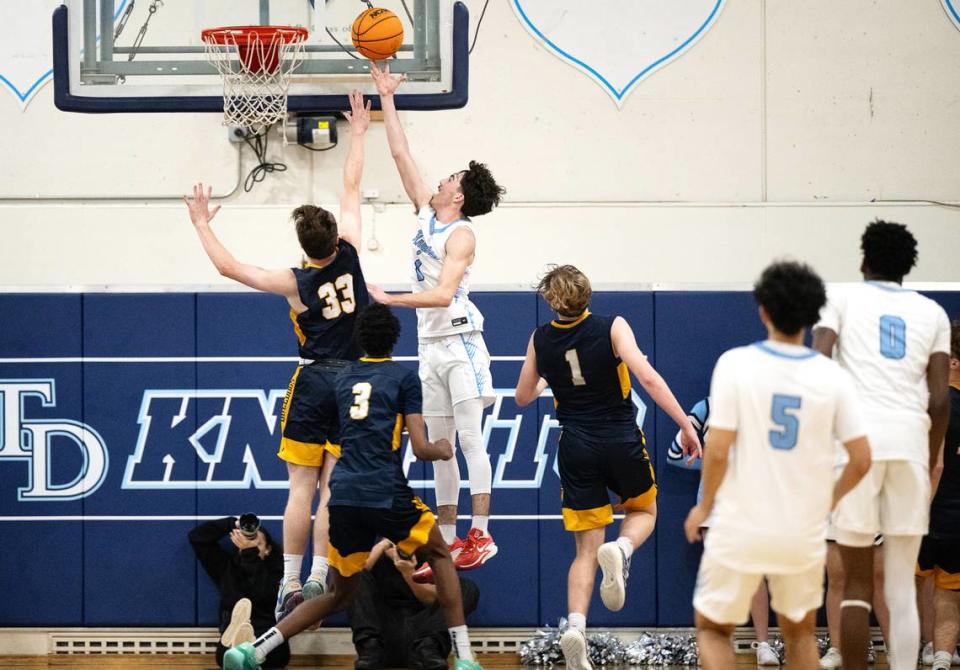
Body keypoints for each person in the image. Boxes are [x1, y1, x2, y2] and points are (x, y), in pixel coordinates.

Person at [184, 91, 373, 619]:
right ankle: (316, 575)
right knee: (334, 491)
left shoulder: (294, 281)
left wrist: (202, 223)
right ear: (335, 237)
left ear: (303, 244)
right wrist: (357, 132)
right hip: (355, 383)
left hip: (313, 381)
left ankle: (289, 581)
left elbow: (230, 269)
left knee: (299, 488)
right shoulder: (353, 254)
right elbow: (352, 185)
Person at [223, 304, 482, 670]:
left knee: (338, 594)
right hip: (385, 489)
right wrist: (442, 448)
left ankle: (254, 651)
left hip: (343, 496)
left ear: (359, 340)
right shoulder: (404, 379)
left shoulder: (343, 379)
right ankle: (467, 659)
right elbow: (422, 449)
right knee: (441, 556)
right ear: (395, 340)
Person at [685, 260, 872, 670]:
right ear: (812, 316)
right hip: (800, 527)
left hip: (740, 521)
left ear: (763, 310)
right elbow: (861, 460)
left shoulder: (735, 364)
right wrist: (827, 502)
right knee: (800, 634)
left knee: (714, 631)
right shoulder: (833, 377)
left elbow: (716, 450)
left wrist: (703, 507)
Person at [513, 264, 701, 670]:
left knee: (584, 550)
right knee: (644, 511)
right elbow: (648, 379)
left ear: (551, 300)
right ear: (588, 294)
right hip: (620, 436)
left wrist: (548, 379)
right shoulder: (612, 326)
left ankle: (576, 628)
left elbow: (523, 396)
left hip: (576, 445)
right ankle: (623, 547)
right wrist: (686, 424)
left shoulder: (539, 338)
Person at [365, 61, 506, 576]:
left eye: (451, 177)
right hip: (430, 349)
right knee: (442, 449)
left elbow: (445, 294)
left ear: (460, 195)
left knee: (470, 439)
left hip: (462, 342)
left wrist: (391, 299)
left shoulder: (462, 235)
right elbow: (401, 154)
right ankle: (446, 544)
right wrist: (387, 98)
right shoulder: (427, 212)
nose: (442, 177)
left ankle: (481, 534)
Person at [812, 220, 952, 670]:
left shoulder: (840, 299)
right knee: (899, 587)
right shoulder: (933, 313)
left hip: (858, 450)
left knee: (855, 585)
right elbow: (941, 399)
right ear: (908, 266)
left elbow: (818, 364)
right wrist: (928, 460)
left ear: (863, 259)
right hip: (910, 448)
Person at [667, 398, 780, 667]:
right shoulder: (706, 407)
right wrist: (711, 467)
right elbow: (674, 453)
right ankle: (713, 645)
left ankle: (763, 644)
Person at [348, 538, 480, 670]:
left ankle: (428, 648)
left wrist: (408, 572)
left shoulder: (431, 557)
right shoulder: (375, 556)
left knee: (465, 587)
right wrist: (382, 546)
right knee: (352, 576)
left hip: (423, 637)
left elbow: (431, 600)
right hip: (383, 638)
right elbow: (351, 576)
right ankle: (370, 649)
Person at [915, 321, 960, 670]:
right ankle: (943, 657)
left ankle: (926, 647)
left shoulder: (935, 406)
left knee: (914, 585)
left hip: (928, 512)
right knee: (949, 596)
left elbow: (935, 466)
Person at [189, 516, 291, 668]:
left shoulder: (278, 572)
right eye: (245, 542)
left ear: (268, 549)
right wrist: (234, 523)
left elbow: (261, 594)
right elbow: (197, 537)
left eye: (256, 543)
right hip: (232, 639)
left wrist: (250, 554)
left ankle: (245, 650)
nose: (249, 545)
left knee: (260, 654)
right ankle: (241, 645)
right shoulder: (227, 568)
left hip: (269, 640)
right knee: (229, 655)